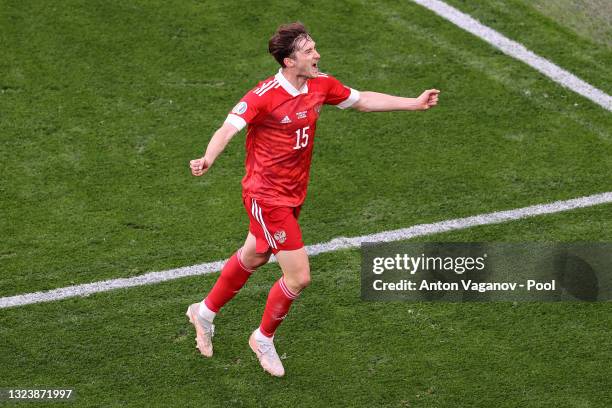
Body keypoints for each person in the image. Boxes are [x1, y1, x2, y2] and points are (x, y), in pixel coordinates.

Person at [186, 22, 439, 377]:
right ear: (289, 61)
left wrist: (413, 103)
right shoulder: (263, 96)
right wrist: (208, 157)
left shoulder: (320, 85)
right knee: (299, 276)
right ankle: (262, 337)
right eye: (308, 51)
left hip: (293, 193)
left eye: (314, 48)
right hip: (266, 195)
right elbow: (227, 128)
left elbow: (361, 100)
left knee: (255, 254)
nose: (317, 54)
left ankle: (204, 312)